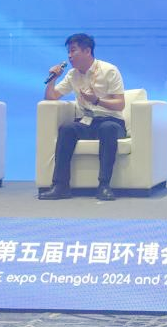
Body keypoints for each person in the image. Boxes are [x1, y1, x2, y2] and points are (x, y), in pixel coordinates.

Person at [40, 33, 126, 201]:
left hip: (111, 121)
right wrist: (53, 79)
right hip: (87, 121)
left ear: (87, 51)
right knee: (67, 129)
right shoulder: (72, 75)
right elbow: (51, 97)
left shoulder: (109, 70)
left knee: (107, 128)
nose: (69, 56)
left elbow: (120, 104)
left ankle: (104, 185)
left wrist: (97, 100)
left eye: (73, 50)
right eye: (68, 52)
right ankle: (60, 186)